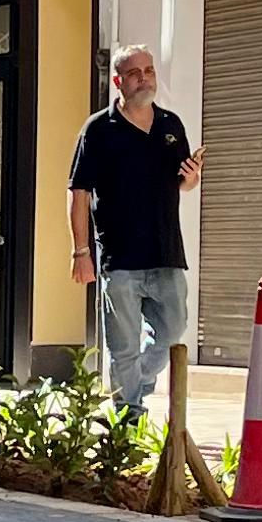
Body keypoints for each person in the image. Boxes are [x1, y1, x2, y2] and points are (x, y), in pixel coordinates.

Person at [67, 44, 200, 416]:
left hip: (166, 254)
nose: (144, 79)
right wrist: (81, 253)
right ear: (118, 81)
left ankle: (134, 386)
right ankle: (128, 417)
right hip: (119, 258)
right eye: (135, 73)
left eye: (149, 71)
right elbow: (78, 192)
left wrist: (191, 180)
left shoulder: (171, 125)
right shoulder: (98, 129)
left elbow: (182, 184)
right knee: (123, 346)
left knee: (173, 333)